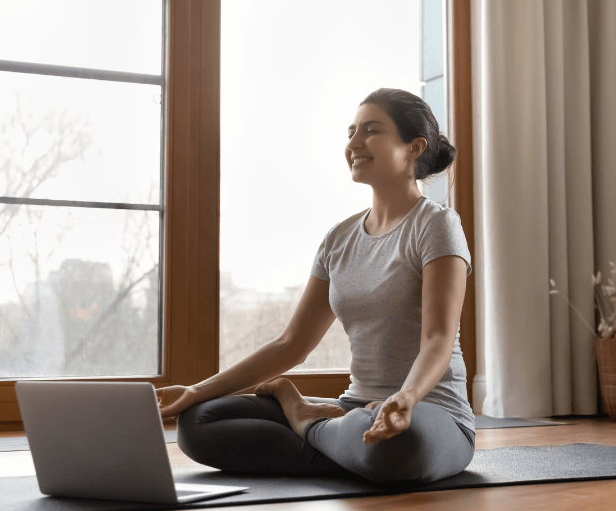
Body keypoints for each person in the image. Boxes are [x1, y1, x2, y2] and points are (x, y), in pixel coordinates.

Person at [156, 88, 474, 486]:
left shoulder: (436, 225)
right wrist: (197, 391)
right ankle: (345, 445)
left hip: (429, 413)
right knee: (200, 422)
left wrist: (405, 398)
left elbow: (438, 337)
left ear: (414, 148)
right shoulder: (338, 239)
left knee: (398, 444)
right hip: (353, 410)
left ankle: (305, 420)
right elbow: (291, 344)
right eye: (351, 132)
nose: (354, 143)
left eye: (371, 131)